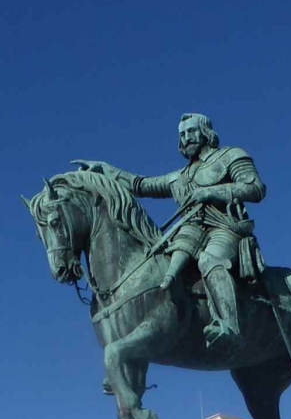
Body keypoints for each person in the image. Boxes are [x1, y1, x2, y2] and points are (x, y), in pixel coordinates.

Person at [75, 114, 266, 347]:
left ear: (206, 132)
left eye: (191, 132)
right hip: (190, 234)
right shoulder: (179, 177)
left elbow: (255, 188)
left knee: (210, 260)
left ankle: (229, 325)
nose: (186, 138)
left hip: (225, 229)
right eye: (182, 134)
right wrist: (105, 169)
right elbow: (140, 185)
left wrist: (210, 192)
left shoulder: (230, 156)